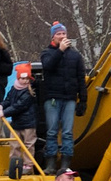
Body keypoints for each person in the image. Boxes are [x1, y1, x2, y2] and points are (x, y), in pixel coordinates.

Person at [35, 23, 85, 171]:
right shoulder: (47, 53)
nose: (62, 37)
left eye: (64, 34)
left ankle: (65, 165)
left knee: (68, 133)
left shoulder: (75, 56)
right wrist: (60, 51)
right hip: (52, 98)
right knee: (51, 132)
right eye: (59, 34)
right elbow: (48, 66)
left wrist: (83, 99)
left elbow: (80, 78)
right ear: (53, 37)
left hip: (69, 97)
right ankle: (50, 164)